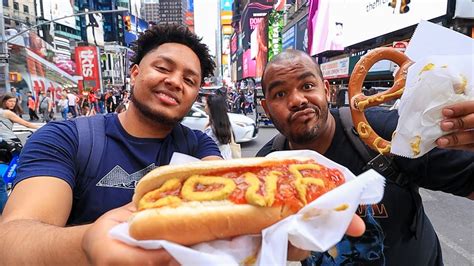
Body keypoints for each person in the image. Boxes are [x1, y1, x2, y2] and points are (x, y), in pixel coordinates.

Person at [0, 25, 335, 265]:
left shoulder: (200, 145)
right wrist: (89, 244)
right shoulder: (65, 138)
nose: (175, 81)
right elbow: (11, 242)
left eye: (190, 80)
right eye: (163, 68)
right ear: (133, 73)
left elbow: (226, 204)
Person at [256, 49, 473, 265]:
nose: (297, 100)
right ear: (266, 108)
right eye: (280, 94)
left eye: (307, 86)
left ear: (326, 89)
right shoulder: (267, 168)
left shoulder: (384, 133)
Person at [204, 94, 233, 159]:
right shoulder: (223, 122)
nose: (204, 107)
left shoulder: (211, 130)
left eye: (206, 105)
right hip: (227, 156)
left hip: (217, 160)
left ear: (211, 108)